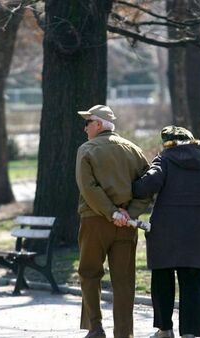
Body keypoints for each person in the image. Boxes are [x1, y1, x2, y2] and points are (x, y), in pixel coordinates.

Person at [132, 126, 200, 338]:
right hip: (196, 235)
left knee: (162, 282)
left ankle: (165, 329)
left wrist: (134, 187)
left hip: (164, 234)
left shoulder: (165, 159)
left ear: (167, 142)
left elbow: (149, 184)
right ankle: (190, 333)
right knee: (193, 284)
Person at [75, 105, 151, 338]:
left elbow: (88, 188)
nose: (85, 128)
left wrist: (111, 213)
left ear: (98, 124)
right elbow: (147, 187)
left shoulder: (87, 149)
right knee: (124, 281)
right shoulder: (135, 150)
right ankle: (124, 334)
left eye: (87, 123)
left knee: (89, 273)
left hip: (94, 220)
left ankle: (95, 328)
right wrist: (130, 214)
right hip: (127, 225)